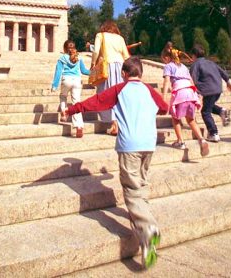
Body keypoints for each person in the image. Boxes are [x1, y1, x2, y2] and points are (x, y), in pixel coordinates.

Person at [64, 57, 168, 269]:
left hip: (130, 145)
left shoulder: (120, 89)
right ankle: (142, 223)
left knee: (131, 189)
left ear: (123, 74)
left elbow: (95, 102)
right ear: (141, 73)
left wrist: (72, 109)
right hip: (149, 144)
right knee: (141, 183)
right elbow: (164, 108)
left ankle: (148, 229)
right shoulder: (149, 90)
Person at [161, 46, 210, 156]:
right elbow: (191, 81)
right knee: (191, 120)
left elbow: (167, 81)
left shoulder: (168, 66)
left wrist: (163, 97)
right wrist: (197, 96)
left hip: (180, 92)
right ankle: (202, 140)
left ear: (166, 58)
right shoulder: (183, 66)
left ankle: (180, 141)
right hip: (190, 92)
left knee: (175, 118)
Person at [92, 21, 130, 135]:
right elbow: (126, 56)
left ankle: (114, 125)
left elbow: (95, 50)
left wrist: (93, 63)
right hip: (121, 67)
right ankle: (119, 123)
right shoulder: (120, 38)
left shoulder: (100, 35)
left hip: (107, 66)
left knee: (107, 94)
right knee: (118, 95)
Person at [189, 44, 231, 142]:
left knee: (205, 112)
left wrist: (195, 92)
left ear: (194, 55)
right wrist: (228, 82)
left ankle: (213, 133)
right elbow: (222, 72)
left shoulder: (195, 65)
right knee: (208, 105)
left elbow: (192, 79)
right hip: (217, 88)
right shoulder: (211, 62)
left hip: (207, 90)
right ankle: (221, 111)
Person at [51, 40, 91, 138]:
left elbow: (58, 73)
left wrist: (54, 86)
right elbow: (85, 71)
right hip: (77, 81)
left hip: (66, 80)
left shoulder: (62, 58)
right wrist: (93, 72)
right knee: (76, 104)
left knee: (63, 96)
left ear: (64, 48)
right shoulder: (78, 58)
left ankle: (64, 112)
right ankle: (79, 126)